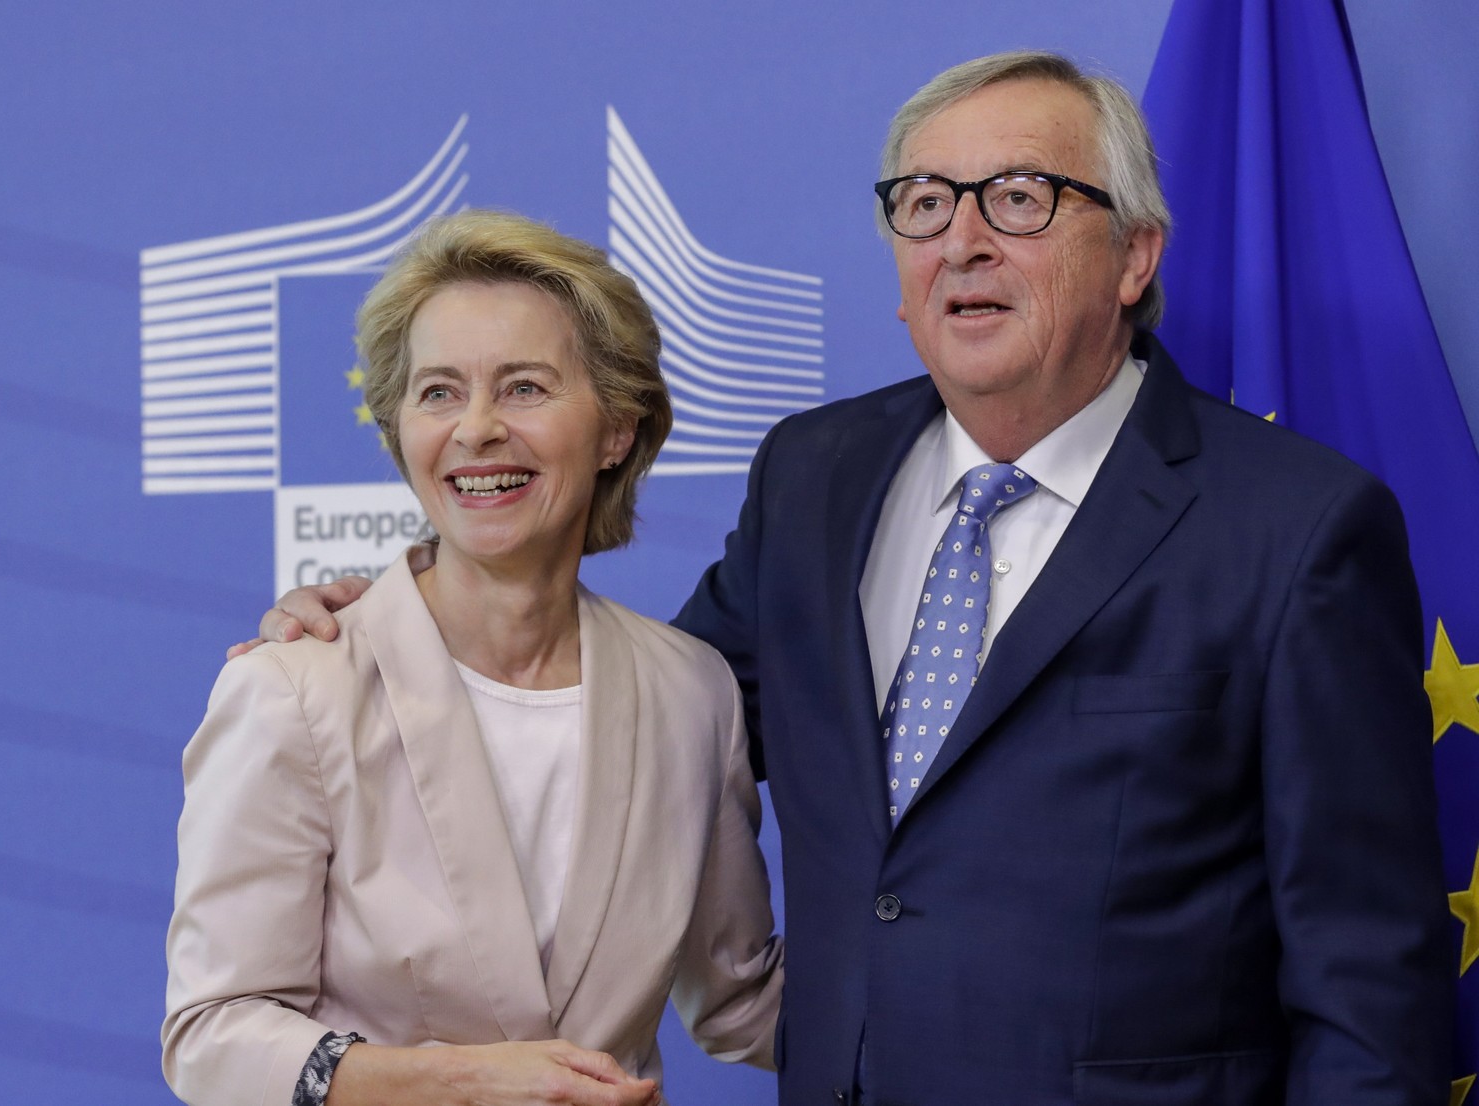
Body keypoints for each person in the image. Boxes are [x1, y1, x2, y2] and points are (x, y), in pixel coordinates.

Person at [247, 52, 1451, 1105]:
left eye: (1018, 199)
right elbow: (638, 706)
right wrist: (399, 628)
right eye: (925, 204)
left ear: (1135, 253)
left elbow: (1366, 982)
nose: (961, 240)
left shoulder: (1296, 528)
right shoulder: (816, 475)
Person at [165, 211, 783, 1106]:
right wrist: (457, 1082)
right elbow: (213, 1034)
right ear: (399, 431)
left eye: (525, 388)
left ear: (617, 429)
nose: (478, 429)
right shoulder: (296, 687)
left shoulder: (693, 694)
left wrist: (1030, 998)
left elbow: (741, 1003)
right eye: (439, 392)